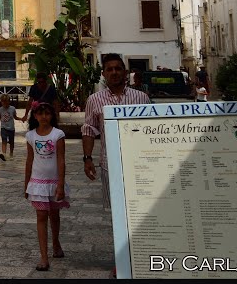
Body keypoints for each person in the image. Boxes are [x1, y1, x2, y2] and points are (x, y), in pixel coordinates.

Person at [82, 53, 150, 277]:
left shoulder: (141, 98)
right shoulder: (95, 100)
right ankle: (122, 261)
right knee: (117, 216)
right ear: (104, 73)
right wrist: (87, 158)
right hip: (109, 165)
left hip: (140, 165)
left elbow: (151, 130)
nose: (114, 72)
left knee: (141, 213)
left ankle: (142, 257)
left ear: (125, 72)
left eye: (118, 68)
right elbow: (89, 130)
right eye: (109, 69)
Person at [24, 101, 69, 271]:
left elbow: (61, 159)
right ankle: (43, 257)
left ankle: (56, 243)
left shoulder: (58, 134)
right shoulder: (30, 136)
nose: (44, 117)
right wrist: (26, 183)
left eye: (47, 113)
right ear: (35, 116)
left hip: (54, 182)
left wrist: (61, 184)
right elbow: (29, 160)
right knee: (41, 216)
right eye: (40, 113)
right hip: (37, 182)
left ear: (52, 116)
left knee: (54, 215)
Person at [0, 94, 20, 161]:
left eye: (6, 102)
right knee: (4, 140)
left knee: (12, 142)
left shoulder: (12, 108)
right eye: (3, 102)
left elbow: (15, 117)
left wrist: (21, 119)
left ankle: (11, 153)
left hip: (11, 128)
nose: (5, 103)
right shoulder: (0, 110)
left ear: (9, 101)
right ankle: (4, 154)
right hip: (3, 128)